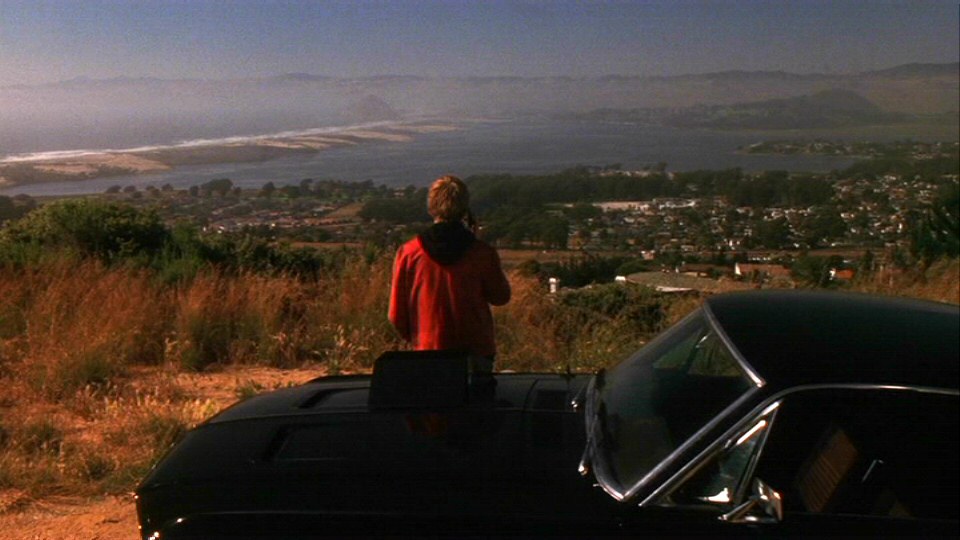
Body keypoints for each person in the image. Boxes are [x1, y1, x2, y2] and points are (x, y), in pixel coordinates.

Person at [388, 175, 511, 361]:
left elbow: (396, 315)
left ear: (431, 207)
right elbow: (501, 297)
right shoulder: (482, 253)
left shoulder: (408, 253)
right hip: (476, 352)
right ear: (464, 208)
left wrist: (418, 340)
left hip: (428, 351)